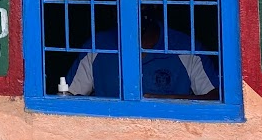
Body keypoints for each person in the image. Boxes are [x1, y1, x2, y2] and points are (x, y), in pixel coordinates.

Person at [67, 9, 216, 99]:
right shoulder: (98, 46)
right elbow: (67, 97)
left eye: (142, 4)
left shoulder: (185, 48)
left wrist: (169, 101)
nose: (135, 11)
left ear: (155, 7)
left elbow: (215, 98)